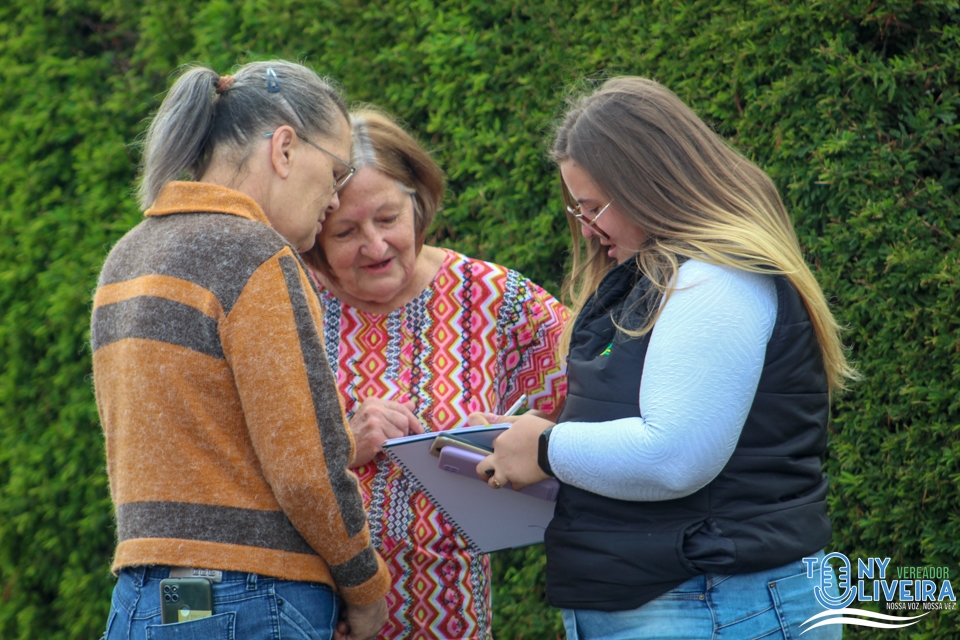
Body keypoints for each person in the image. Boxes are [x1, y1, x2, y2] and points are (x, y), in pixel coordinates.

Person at [479, 77, 854, 639]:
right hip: (690, 598)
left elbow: (675, 455)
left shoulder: (716, 278)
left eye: (591, 208)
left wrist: (545, 447)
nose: (587, 228)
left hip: (712, 602)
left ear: (646, 184)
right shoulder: (667, 278)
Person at [92, 61, 390, 640]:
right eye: (335, 173)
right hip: (252, 598)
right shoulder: (256, 254)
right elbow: (305, 468)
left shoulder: (126, 257)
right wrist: (366, 587)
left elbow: (202, 446)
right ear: (284, 150)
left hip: (148, 600)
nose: (334, 200)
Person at [301, 107, 568, 639]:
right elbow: (232, 461)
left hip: (452, 612)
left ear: (418, 204)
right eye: (346, 231)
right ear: (313, 234)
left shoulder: (494, 299)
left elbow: (600, 383)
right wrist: (340, 445)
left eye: (388, 219)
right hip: (319, 612)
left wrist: (520, 443)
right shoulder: (291, 306)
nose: (374, 246)